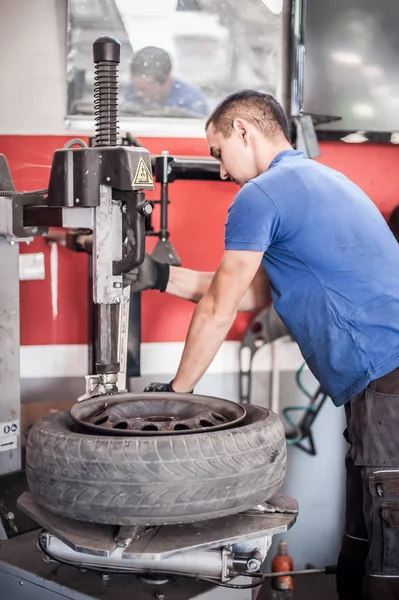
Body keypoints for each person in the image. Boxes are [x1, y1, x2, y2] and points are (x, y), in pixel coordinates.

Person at [129, 90, 399, 600]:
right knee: (365, 533)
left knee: (390, 549)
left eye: (217, 152)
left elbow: (220, 307)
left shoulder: (262, 194)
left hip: (388, 382)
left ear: (243, 133)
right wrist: (158, 275)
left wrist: (176, 397)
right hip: (382, 382)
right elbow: (252, 290)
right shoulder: (320, 178)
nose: (223, 171)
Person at [124, 46, 209, 117]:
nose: (137, 93)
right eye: (135, 87)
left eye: (143, 89)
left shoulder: (192, 104)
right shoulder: (125, 91)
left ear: (167, 82)